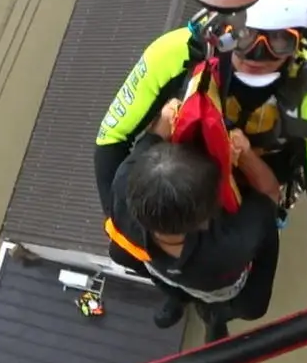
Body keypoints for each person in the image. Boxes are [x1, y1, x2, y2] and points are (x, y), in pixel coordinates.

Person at [94, 0, 307, 363]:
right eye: (241, 36)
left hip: (255, 195)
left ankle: (213, 314)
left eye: (277, 41)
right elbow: (112, 136)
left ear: (299, 45)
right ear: (220, 29)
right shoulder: (174, 54)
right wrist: (119, 215)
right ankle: (178, 298)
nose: (257, 55)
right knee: (162, 268)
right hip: (179, 186)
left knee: (241, 293)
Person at [104, 100, 283, 343]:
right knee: (250, 307)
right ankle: (214, 318)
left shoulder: (123, 190)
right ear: (207, 214)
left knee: (154, 272)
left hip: (159, 269)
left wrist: (165, 118)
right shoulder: (230, 244)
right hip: (220, 286)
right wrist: (245, 155)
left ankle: (180, 299)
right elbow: (271, 196)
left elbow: (149, 141)